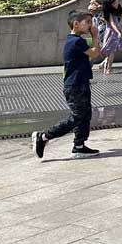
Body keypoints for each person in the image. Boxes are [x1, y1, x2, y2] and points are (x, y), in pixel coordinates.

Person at [32, 11, 102, 159]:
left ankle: (79, 146)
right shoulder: (75, 41)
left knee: (85, 115)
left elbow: (96, 50)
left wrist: (95, 39)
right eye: (87, 22)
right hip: (75, 85)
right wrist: (95, 36)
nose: (90, 25)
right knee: (76, 117)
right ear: (76, 24)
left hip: (80, 82)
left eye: (91, 22)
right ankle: (43, 137)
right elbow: (95, 53)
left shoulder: (78, 41)